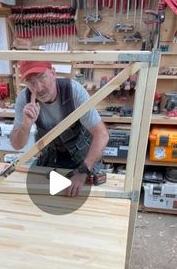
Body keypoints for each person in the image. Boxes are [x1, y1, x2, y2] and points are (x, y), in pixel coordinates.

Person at [10, 61, 109, 197]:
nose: (38, 88)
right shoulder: (24, 100)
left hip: (83, 160)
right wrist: (25, 126)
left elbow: (102, 135)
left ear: (53, 73)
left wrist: (83, 171)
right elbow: (17, 144)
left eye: (42, 77)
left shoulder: (74, 92)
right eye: (31, 82)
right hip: (52, 160)